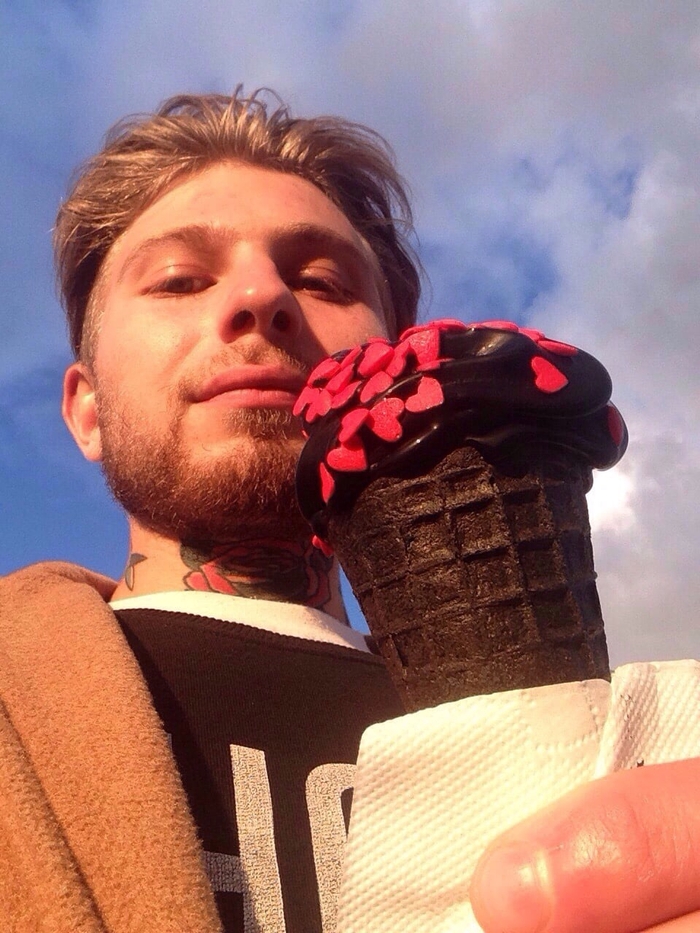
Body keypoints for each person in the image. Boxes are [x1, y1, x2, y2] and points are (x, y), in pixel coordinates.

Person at [1, 89, 699, 933]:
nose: (261, 296)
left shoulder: (598, 738)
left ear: (400, 362)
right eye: (180, 279)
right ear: (86, 409)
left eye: (322, 280)